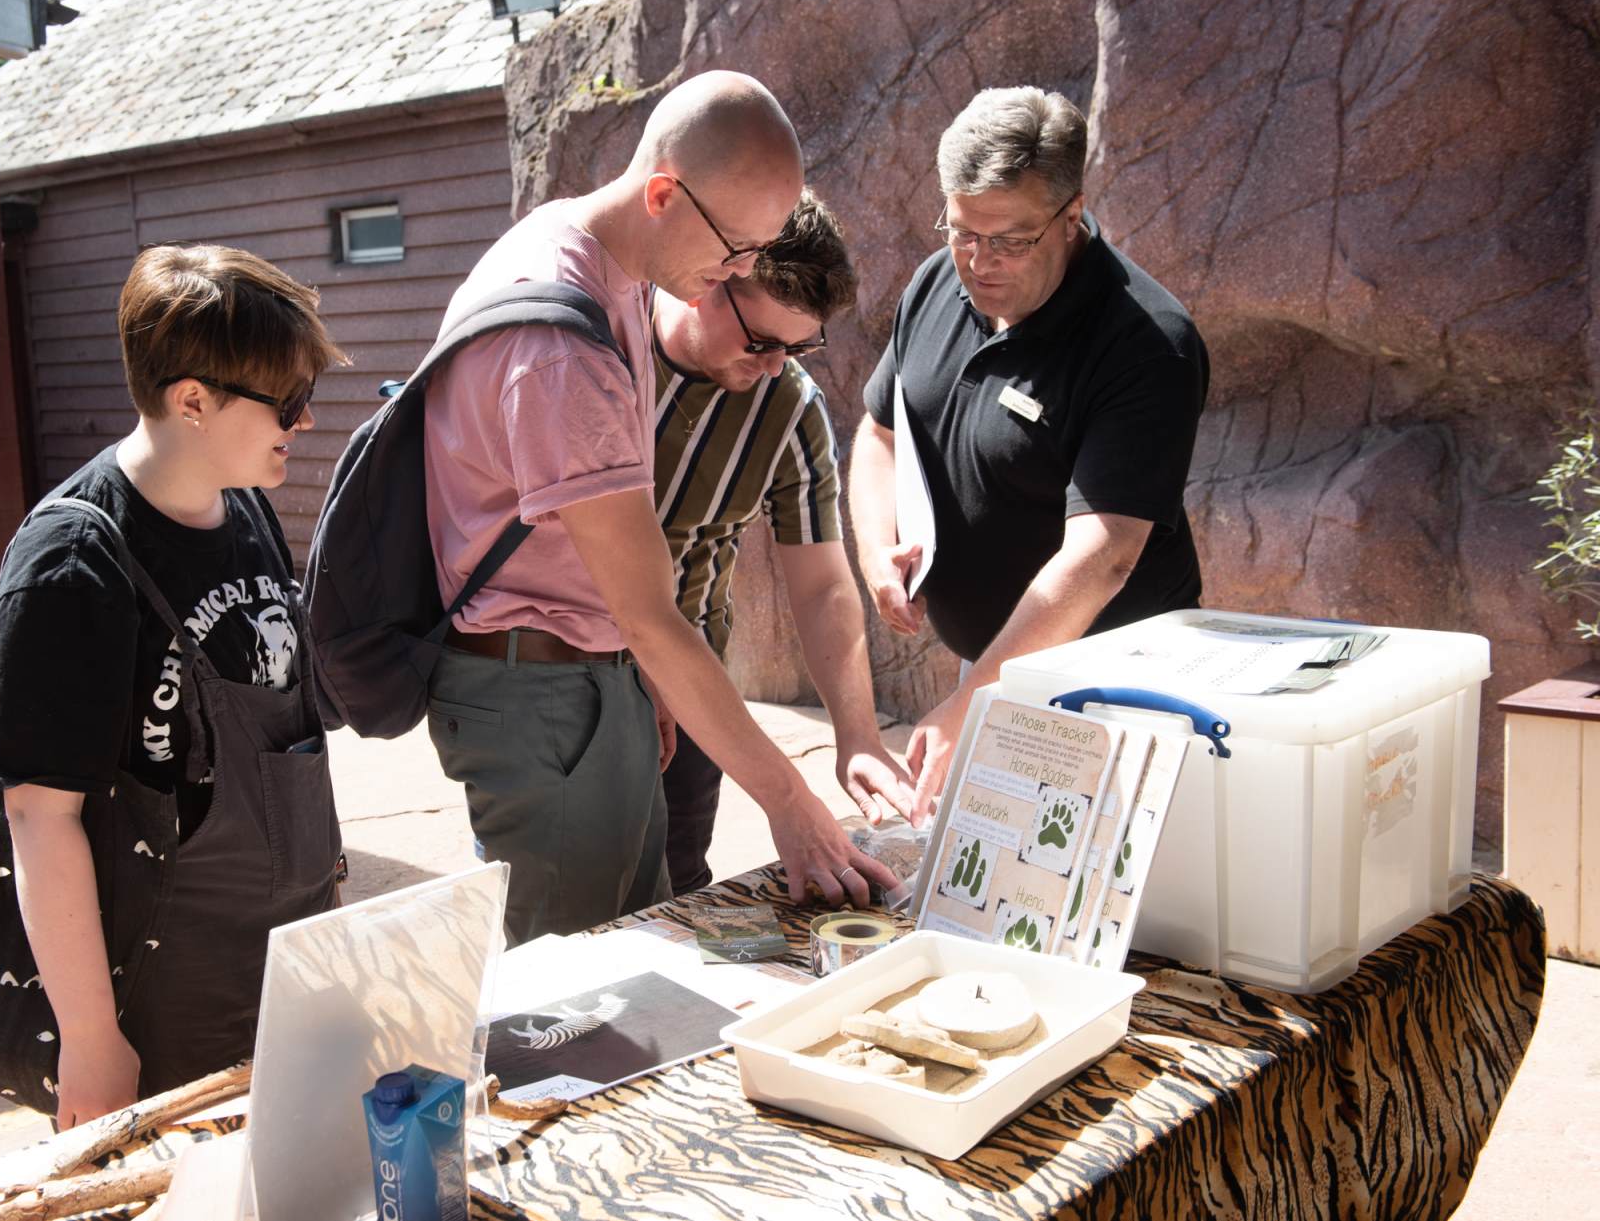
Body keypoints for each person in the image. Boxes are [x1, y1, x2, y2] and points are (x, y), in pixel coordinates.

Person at [422, 70, 898, 944]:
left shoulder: (612, 271)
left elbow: (648, 608)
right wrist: (789, 801)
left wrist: (648, 680)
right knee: (573, 983)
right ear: (664, 195)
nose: (742, 267)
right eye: (737, 250)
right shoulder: (565, 344)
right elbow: (647, 609)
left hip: (604, 677)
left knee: (639, 943)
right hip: (549, 688)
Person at [0, 244, 347, 1127]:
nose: (302, 421)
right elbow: (38, 817)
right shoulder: (72, 562)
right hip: (164, 994)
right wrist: (89, 1037)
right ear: (192, 401)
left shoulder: (247, 503)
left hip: (297, 959)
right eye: (287, 401)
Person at [848, 86, 1210, 815]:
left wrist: (977, 701)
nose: (979, 262)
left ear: (1071, 217)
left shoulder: (1147, 343)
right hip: (990, 670)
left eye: (1010, 241)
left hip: (1115, 689)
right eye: (962, 231)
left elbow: (1103, 555)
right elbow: (879, 432)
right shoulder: (935, 283)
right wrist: (875, 549)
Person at [650, 189, 916, 896]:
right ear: (710, 279)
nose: (775, 367)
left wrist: (857, 734)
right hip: (560, 666)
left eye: (798, 347)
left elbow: (823, 584)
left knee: (679, 883)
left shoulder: (790, 405)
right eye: (762, 342)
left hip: (695, 681)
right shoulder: (607, 346)